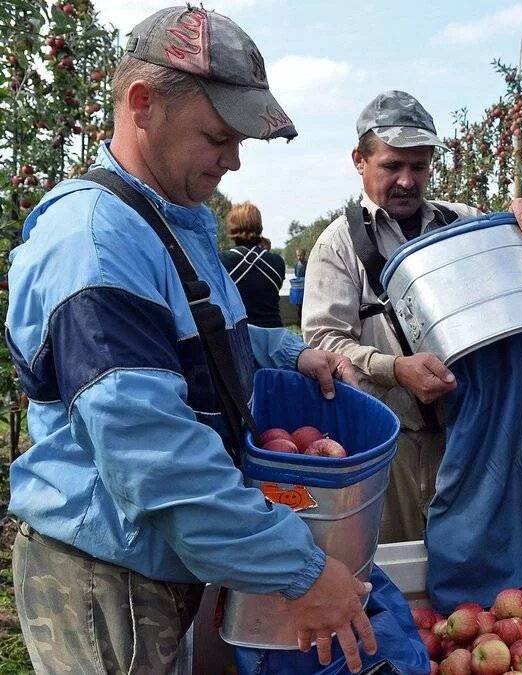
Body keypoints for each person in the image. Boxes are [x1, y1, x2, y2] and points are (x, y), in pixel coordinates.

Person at [6, 7, 375, 673]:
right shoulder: (97, 242)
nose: (233, 160)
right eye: (217, 136)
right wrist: (301, 570)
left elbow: (200, 338)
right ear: (143, 104)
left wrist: (291, 351)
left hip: (154, 561)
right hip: (105, 575)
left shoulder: (169, 221)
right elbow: (154, 456)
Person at [302, 90, 522, 543]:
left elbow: (517, 260)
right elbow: (324, 343)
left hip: (469, 438)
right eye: (392, 166)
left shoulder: (462, 226)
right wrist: (394, 369)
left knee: (475, 574)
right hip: (389, 443)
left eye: (418, 166)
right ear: (359, 160)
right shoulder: (338, 246)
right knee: (396, 566)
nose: (406, 180)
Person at [220, 201, 287, 327]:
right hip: (273, 335)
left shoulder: (221, 261)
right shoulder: (277, 262)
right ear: (259, 226)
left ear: (232, 226)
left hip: (240, 336)